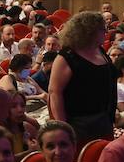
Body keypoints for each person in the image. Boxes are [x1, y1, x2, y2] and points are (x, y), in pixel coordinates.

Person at [48, 11, 118, 144]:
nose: (106, 32)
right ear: (88, 31)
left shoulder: (100, 50)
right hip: (77, 122)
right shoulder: (67, 56)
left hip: (103, 118)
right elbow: (54, 92)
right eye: (102, 29)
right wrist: (63, 127)